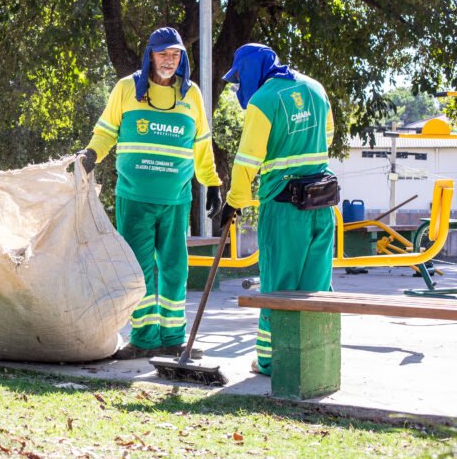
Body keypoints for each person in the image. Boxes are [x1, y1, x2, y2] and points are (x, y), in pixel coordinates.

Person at [76, 27, 222, 360]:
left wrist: (212, 182)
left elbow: (202, 144)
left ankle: (172, 338)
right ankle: (142, 339)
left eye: (175, 55)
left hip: (175, 200)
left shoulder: (192, 95)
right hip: (134, 197)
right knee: (138, 270)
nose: (169, 61)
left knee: (175, 269)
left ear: (181, 58)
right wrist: (91, 154)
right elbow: (106, 130)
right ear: (150, 55)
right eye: (163, 54)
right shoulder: (127, 89)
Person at [218, 43, 336, 376]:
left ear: (252, 69)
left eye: (240, 77)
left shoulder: (264, 100)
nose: (240, 86)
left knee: (279, 286)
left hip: (284, 207)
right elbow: (328, 134)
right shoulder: (315, 88)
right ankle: (314, 359)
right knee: (316, 286)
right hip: (322, 202)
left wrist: (235, 202)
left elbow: (246, 162)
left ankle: (271, 360)